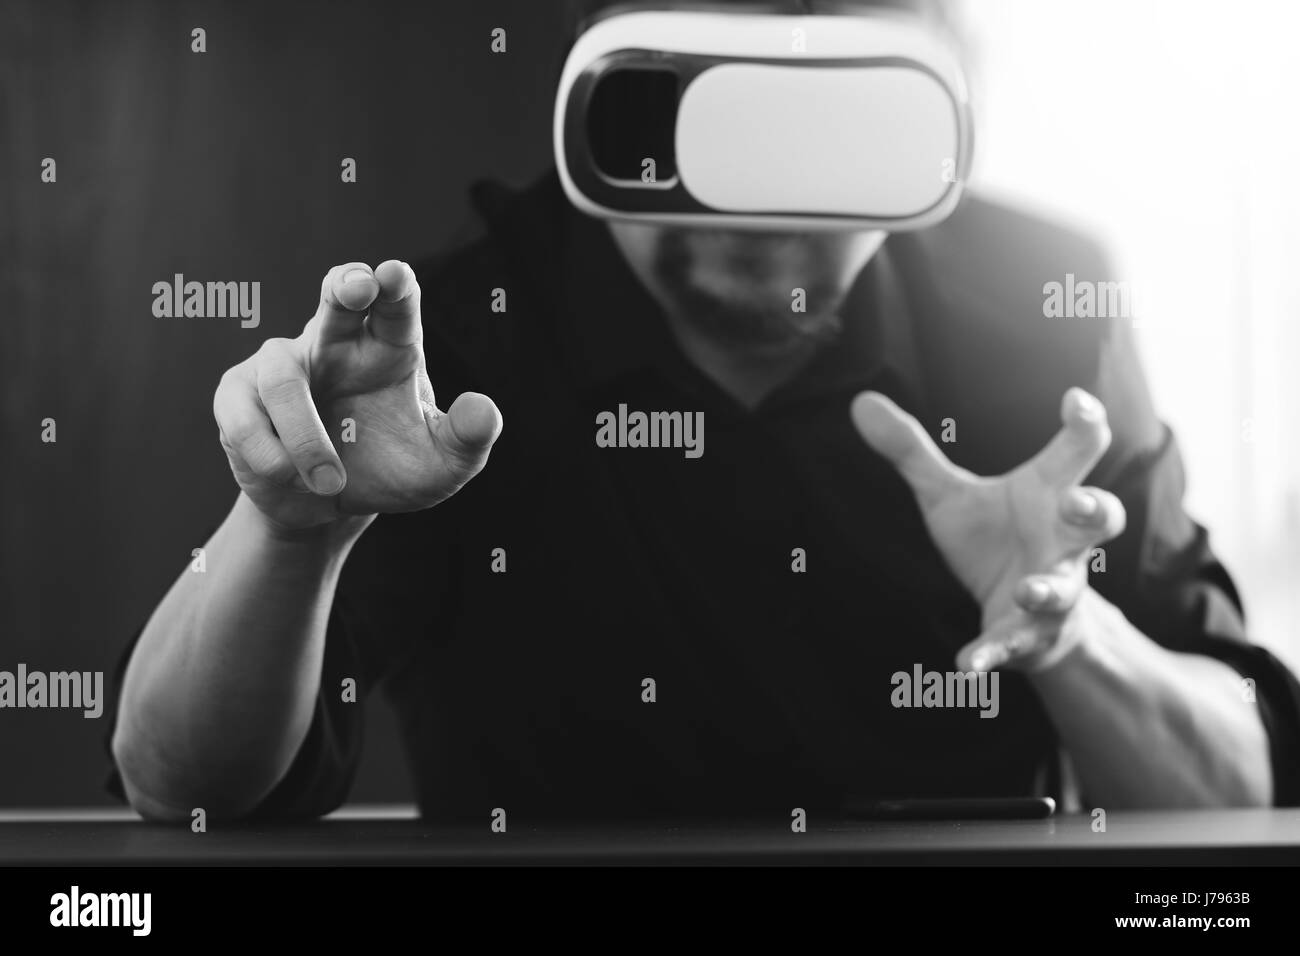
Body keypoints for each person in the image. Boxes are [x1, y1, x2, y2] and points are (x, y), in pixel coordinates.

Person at [106, 0, 1300, 823]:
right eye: (701, 118)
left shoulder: (1039, 307)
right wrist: (291, 522)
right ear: (603, 78)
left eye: (832, 129)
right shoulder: (450, 345)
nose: (763, 213)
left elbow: (1246, 791)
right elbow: (175, 783)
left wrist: (1070, 633)